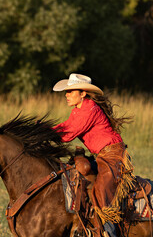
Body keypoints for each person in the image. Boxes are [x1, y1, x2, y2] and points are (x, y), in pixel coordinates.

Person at [52, 73, 135, 237]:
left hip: (113, 155)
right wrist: (43, 130)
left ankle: (109, 234)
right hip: (102, 156)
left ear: (83, 93)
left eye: (71, 91)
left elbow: (68, 133)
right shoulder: (77, 110)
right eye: (66, 92)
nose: (67, 95)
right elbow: (65, 126)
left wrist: (43, 133)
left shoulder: (90, 109)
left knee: (101, 191)